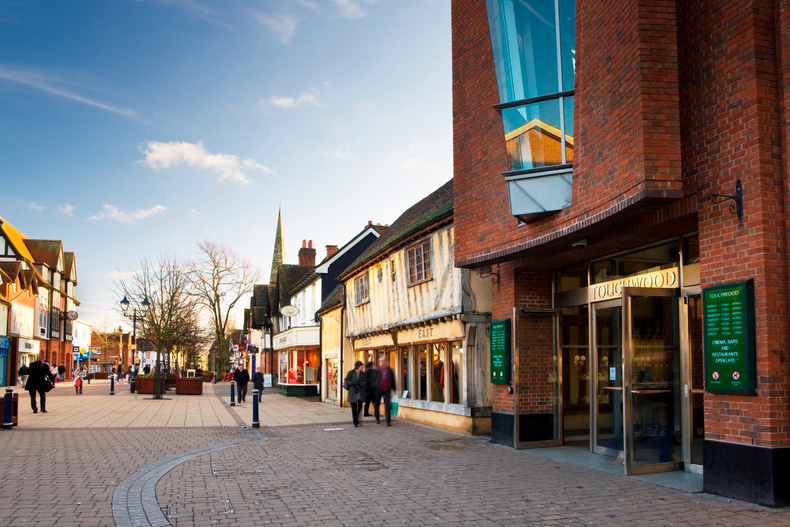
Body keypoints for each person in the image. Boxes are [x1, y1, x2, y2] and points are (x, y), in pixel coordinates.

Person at [375, 357, 397, 426]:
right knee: (377, 404)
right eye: (380, 361)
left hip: (387, 389)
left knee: (387, 405)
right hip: (378, 389)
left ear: (386, 362)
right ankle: (377, 418)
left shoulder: (389, 370)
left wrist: (394, 389)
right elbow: (374, 380)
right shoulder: (377, 370)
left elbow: (392, 379)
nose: (381, 363)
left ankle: (388, 421)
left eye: (383, 361)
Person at [344, 361, 366, 427]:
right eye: (362, 366)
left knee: (360, 406)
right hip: (353, 392)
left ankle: (357, 418)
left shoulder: (363, 374)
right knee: (353, 408)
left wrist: (360, 384)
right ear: (358, 366)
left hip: (360, 392)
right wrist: (352, 383)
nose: (363, 367)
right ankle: (355, 422)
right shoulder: (351, 372)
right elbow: (346, 380)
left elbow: (365, 381)